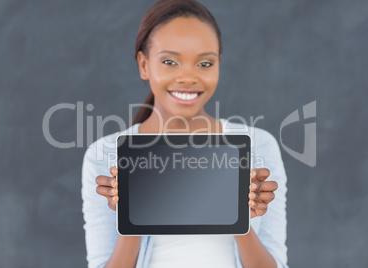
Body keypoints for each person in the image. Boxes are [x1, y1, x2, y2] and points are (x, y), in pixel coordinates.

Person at [81, 0, 288, 267]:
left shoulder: (258, 147)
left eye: (204, 64)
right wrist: (130, 214)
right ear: (143, 65)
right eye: (170, 61)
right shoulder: (104, 155)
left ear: (218, 66)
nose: (188, 77)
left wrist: (240, 220)